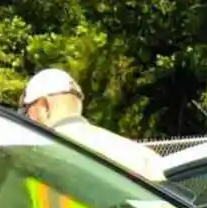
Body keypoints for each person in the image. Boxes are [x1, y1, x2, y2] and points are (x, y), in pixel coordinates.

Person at [20, 68, 167, 183]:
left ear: (44, 106)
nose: (28, 118)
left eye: (27, 110)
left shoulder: (38, 160)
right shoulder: (142, 155)